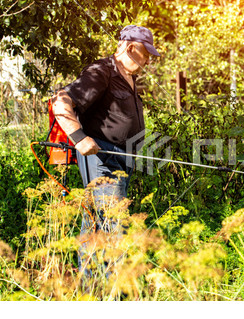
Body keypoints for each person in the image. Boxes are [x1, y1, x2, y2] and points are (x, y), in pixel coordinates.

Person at [52, 25, 160, 278]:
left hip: (122, 159)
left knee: (95, 222)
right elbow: (61, 101)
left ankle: (91, 288)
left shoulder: (129, 77)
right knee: (114, 225)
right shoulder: (101, 72)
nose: (147, 61)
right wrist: (79, 138)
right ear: (130, 47)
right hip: (102, 159)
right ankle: (114, 291)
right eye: (145, 54)